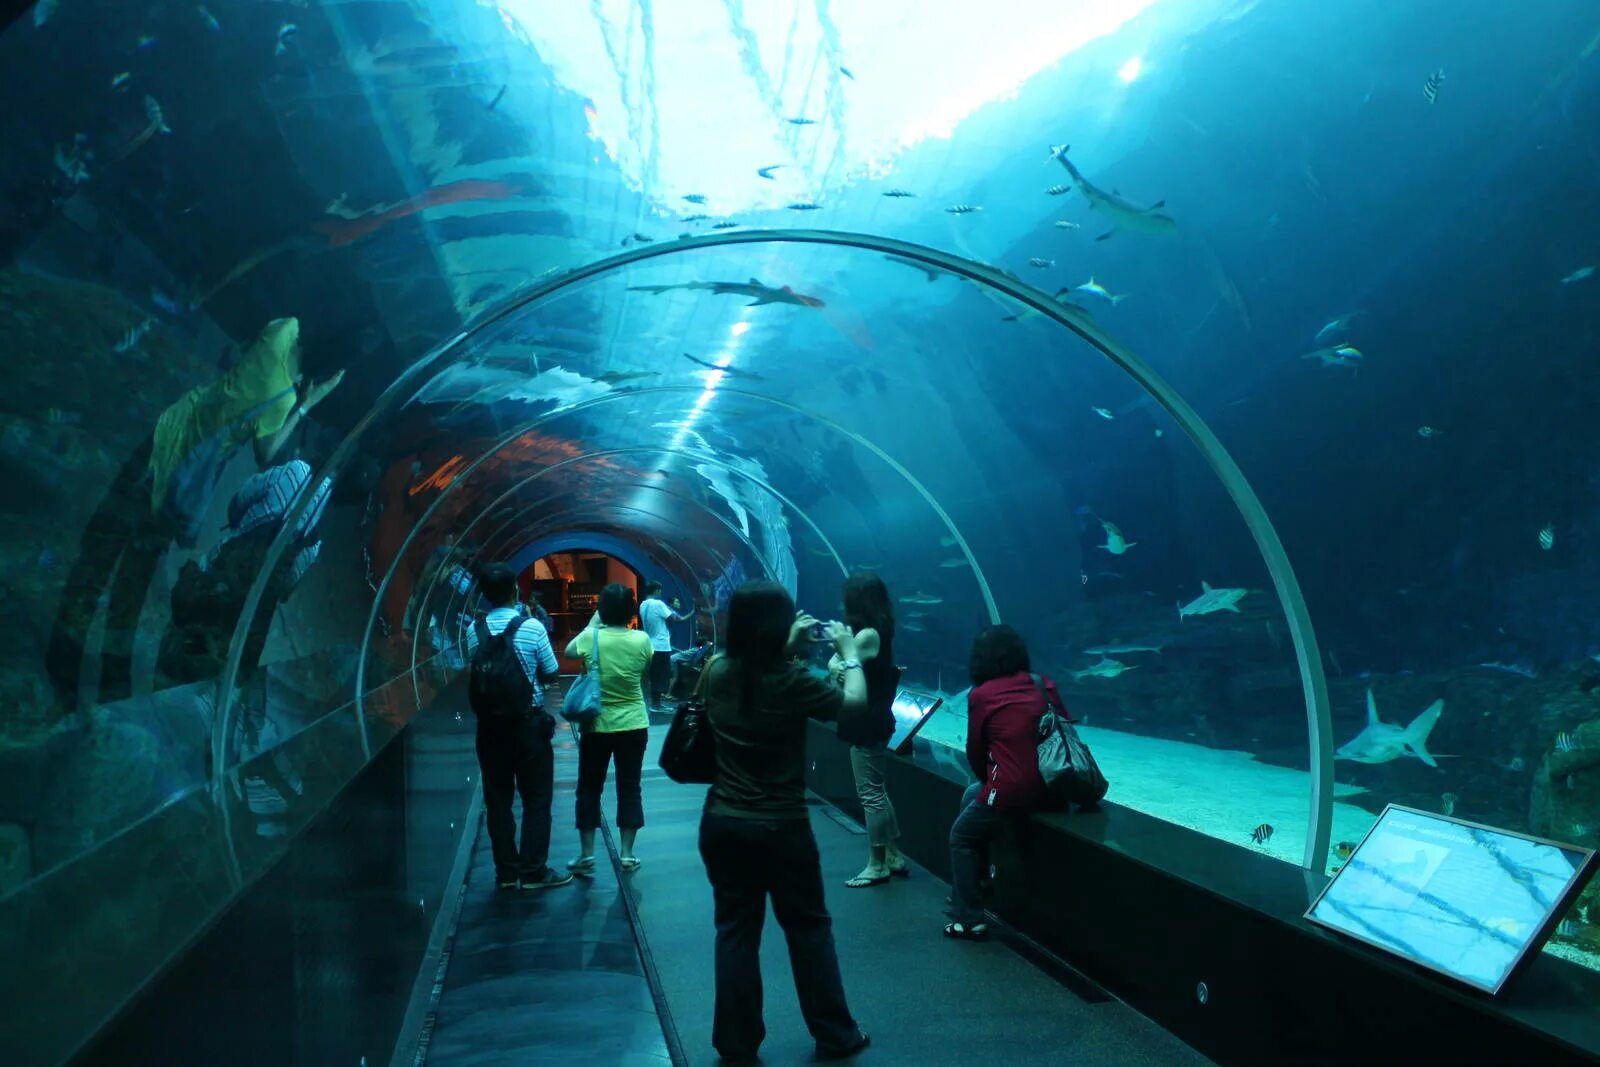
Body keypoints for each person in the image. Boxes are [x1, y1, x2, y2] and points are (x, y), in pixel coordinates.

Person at [699, 580, 873, 1064]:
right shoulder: (791, 682)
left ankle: (735, 1043)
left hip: (723, 821)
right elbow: (853, 704)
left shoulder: (716, 671)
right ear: (777, 628)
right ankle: (835, 1034)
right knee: (807, 928)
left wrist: (784, 648)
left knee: (735, 931)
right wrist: (849, 654)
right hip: (781, 826)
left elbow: (753, 673)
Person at [945, 624, 1063, 940]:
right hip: (1055, 786)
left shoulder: (982, 695)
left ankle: (969, 919)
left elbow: (975, 751)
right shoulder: (1043, 685)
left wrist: (994, 786)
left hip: (1013, 790)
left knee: (960, 836)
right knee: (971, 795)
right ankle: (969, 888)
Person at [463, 563, 572, 891]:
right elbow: (552, 672)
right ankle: (534, 871)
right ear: (515, 591)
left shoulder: (474, 630)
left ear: (484, 595)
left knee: (498, 800)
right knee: (536, 799)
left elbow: (477, 670)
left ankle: (506, 873)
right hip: (527, 725)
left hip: (489, 729)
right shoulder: (532, 627)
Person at [563, 583, 655, 873]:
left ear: (601, 609)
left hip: (597, 725)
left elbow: (567, 652)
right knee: (630, 787)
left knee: (589, 788)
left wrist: (593, 622)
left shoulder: (590, 637)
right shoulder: (642, 640)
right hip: (634, 724)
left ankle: (587, 854)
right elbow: (645, 671)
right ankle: (627, 853)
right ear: (631, 611)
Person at [828, 573, 908, 888]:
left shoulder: (865, 636)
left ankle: (876, 865)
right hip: (874, 717)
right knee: (877, 787)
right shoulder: (878, 631)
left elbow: (840, 664)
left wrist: (838, 661)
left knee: (870, 793)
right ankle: (893, 853)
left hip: (866, 721)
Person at [637, 580, 693, 709]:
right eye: (660, 590)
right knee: (662, 675)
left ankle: (654, 702)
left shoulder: (643, 605)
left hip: (650, 645)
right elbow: (675, 619)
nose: (661, 592)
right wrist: (690, 614)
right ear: (656, 590)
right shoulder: (658, 604)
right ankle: (656, 704)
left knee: (654, 674)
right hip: (661, 646)